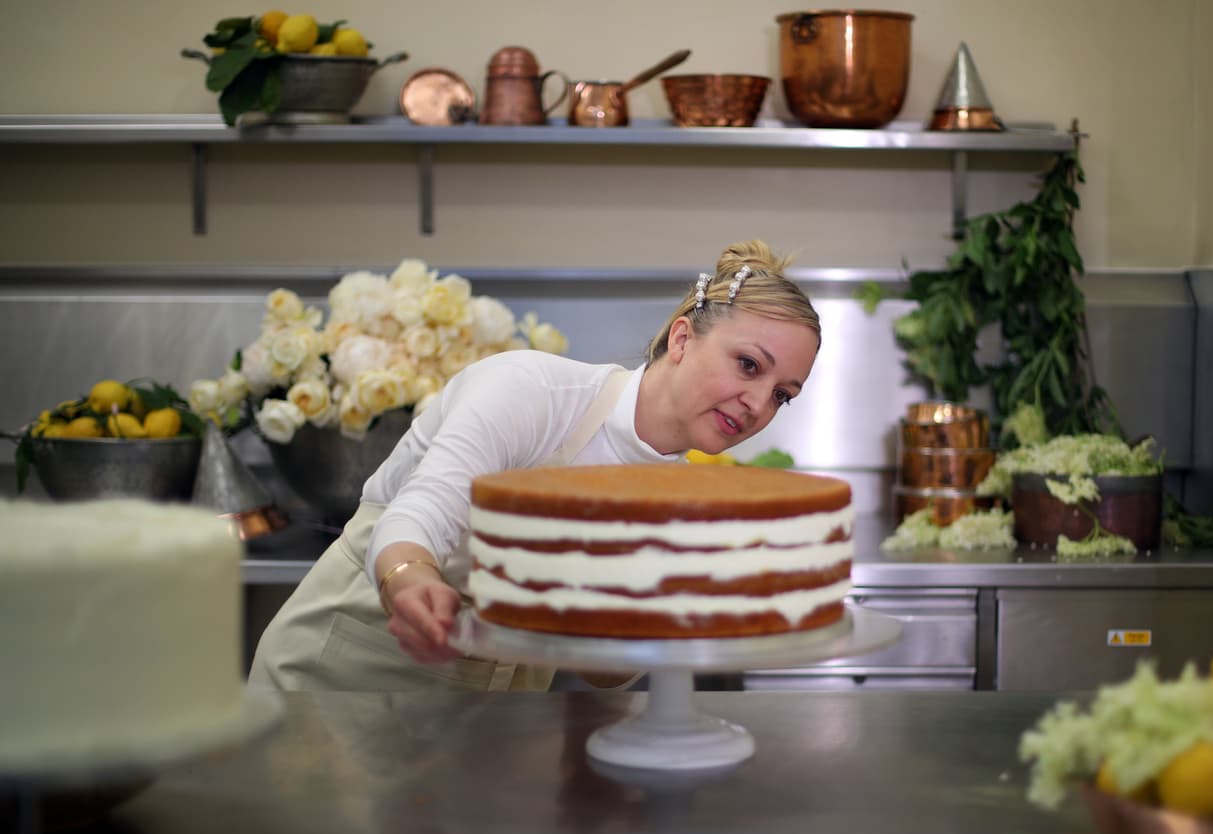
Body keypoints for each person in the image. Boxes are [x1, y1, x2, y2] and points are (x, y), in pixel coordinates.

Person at [248, 239, 823, 692]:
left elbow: (600, 674)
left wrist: (670, 620)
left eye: (783, 394)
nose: (758, 404)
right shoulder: (532, 391)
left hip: (486, 722)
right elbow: (417, 515)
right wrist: (411, 582)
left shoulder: (682, 500)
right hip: (341, 677)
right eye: (748, 365)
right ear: (680, 340)